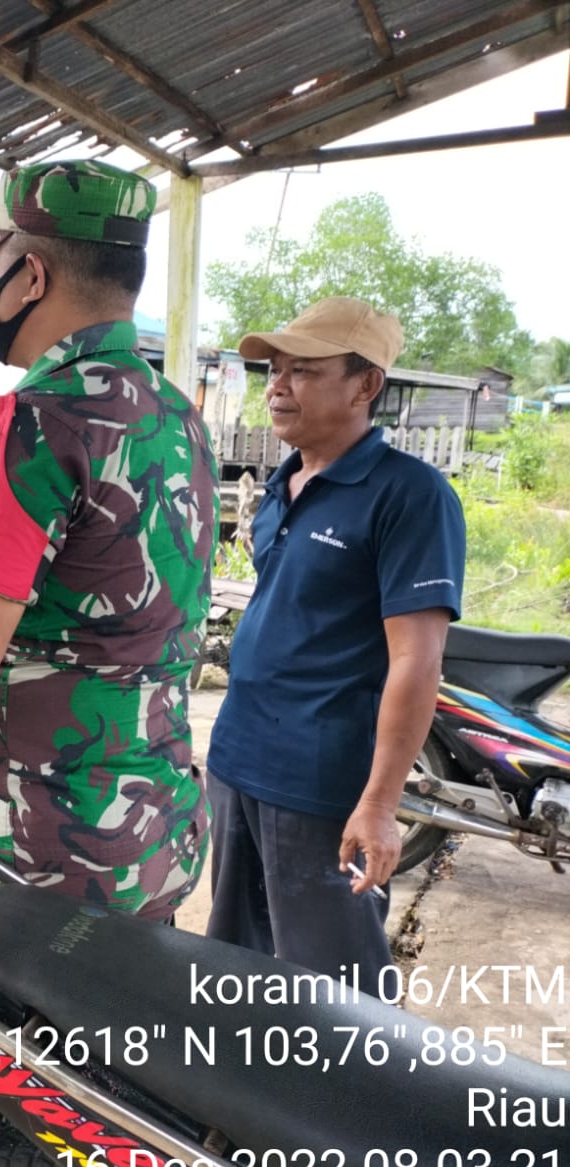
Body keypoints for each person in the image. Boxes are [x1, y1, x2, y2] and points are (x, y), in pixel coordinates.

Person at [0, 160, 217, 919]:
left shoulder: (32, 423)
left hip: (36, 865)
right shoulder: (178, 418)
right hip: (155, 840)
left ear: (30, 275)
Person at [203, 298, 464, 982]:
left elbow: (417, 659)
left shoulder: (409, 495)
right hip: (237, 761)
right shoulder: (284, 484)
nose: (278, 386)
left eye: (305, 371)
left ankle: (354, 1092)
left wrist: (378, 805)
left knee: (335, 983)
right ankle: (249, 1087)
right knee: (238, 961)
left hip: (320, 784)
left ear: (365, 384)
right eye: (275, 371)